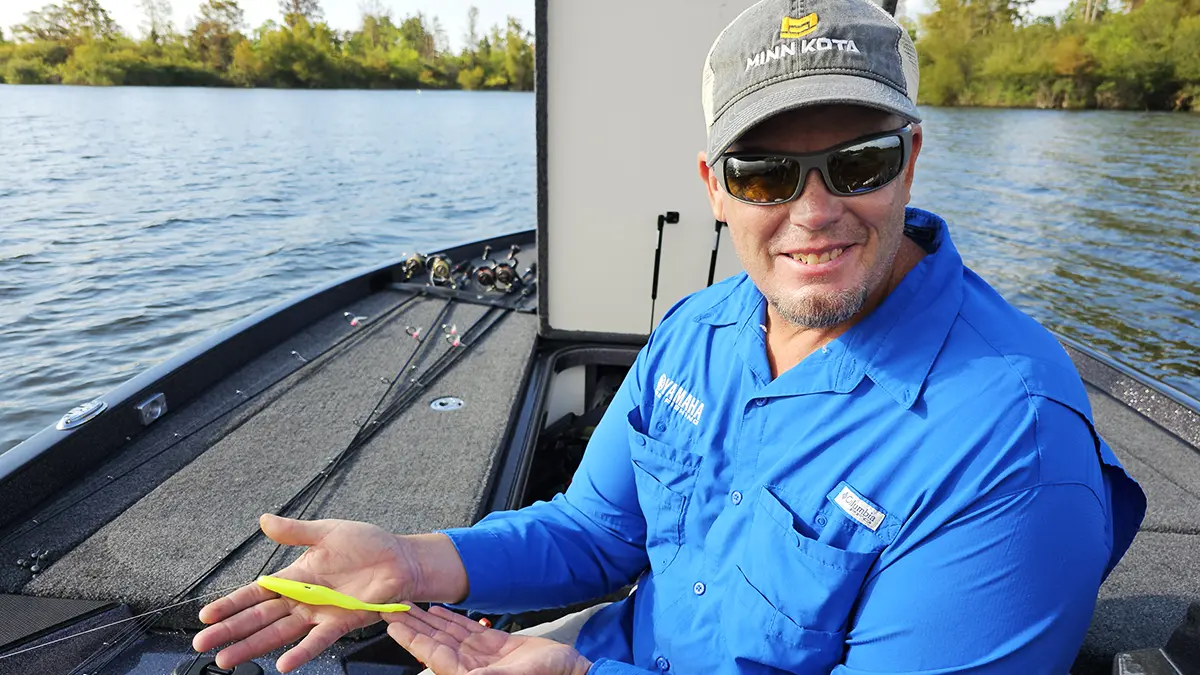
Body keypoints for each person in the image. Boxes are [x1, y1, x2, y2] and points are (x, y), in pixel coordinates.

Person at [193, 0, 1147, 672]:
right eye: (768, 174)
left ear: (910, 162)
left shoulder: (1009, 442)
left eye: (856, 162)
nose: (814, 213)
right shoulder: (699, 327)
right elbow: (598, 532)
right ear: (714, 186)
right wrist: (416, 560)